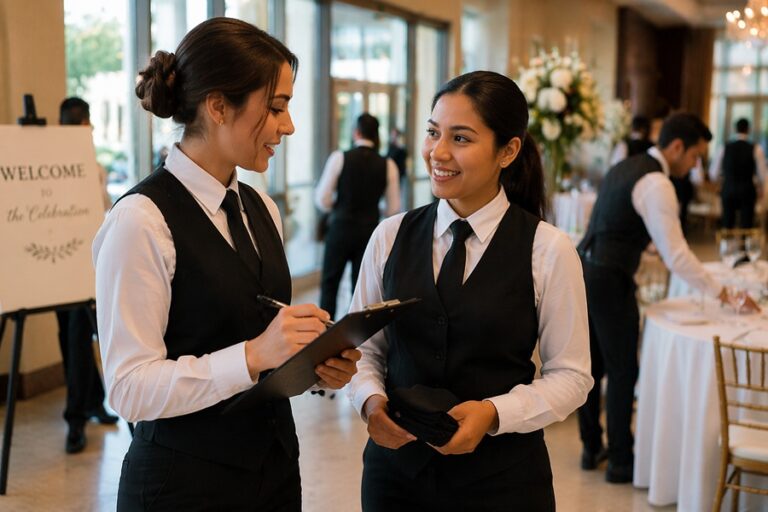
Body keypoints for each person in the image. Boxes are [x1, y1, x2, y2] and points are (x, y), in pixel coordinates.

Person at [93, 18, 360, 510]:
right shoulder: (141, 220)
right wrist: (256, 354)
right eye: (276, 107)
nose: (289, 125)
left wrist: (310, 365)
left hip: (275, 472)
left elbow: (251, 333)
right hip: (183, 485)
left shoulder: (263, 208)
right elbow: (129, 389)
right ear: (218, 105)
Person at [347, 71, 592, 511]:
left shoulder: (548, 249)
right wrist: (370, 403)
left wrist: (494, 413)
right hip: (395, 479)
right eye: (433, 133)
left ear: (508, 150)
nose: (438, 152)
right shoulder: (389, 236)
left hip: (502, 483)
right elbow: (363, 349)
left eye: (461, 138)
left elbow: (572, 376)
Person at [576, 113, 757, 484]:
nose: (696, 165)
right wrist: (725, 292)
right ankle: (621, 461)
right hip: (610, 279)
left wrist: (646, 247)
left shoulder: (626, 165)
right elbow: (678, 256)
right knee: (624, 368)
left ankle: (591, 447)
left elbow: (614, 222)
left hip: (584, 269)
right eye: (695, 156)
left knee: (591, 368)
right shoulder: (657, 182)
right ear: (677, 147)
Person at [56, 97, 118, 455]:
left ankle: (84, 409)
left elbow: (102, 211)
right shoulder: (59, 166)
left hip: (86, 267)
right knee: (70, 337)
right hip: (57, 267)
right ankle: (81, 410)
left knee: (81, 337)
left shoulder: (93, 168)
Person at [315, 113, 400, 319]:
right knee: (361, 288)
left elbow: (322, 198)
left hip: (340, 228)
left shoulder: (340, 157)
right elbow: (393, 208)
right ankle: (354, 338)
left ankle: (324, 334)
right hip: (369, 231)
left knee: (330, 282)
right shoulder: (388, 165)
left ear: (356, 132)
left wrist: (339, 205)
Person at [708, 117, 768, 228]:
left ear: (735, 129)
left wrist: (722, 181)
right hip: (747, 191)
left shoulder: (724, 147)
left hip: (728, 189)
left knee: (727, 223)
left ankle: (727, 245)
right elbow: (763, 175)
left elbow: (713, 173)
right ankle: (744, 245)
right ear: (748, 129)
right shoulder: (756, 149)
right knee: (747, 224)